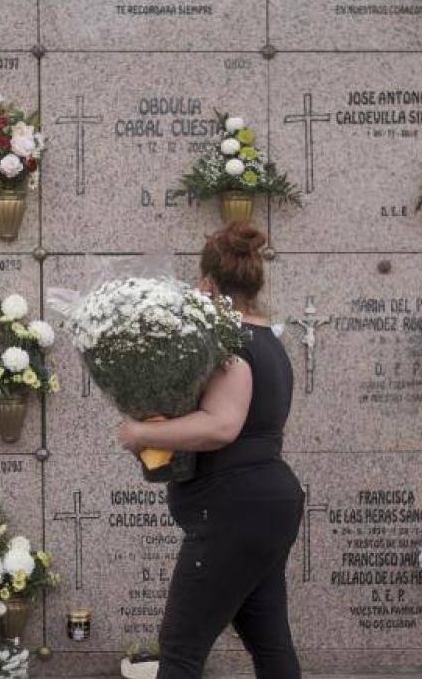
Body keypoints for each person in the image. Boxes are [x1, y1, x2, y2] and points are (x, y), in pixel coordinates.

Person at [116, 222, 305, 679]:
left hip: (232, 509)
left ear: (206, 285)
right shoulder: (272, 343)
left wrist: (142, 432)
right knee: (270, 641)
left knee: (180, 650)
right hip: (268, 504)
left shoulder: (230, 343)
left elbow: (222, 425)